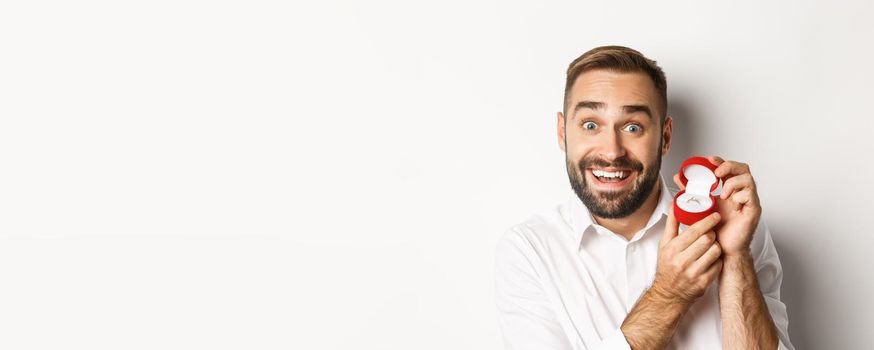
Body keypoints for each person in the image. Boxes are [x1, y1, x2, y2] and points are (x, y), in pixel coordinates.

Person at [494, 46, 794, 349]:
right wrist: (669, 294)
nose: (611, 151)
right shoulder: (529, 251)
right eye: (590, 125)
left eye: (633, 127)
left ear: (664, 138)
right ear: (562, 133)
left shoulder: (736, 228)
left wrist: (734, 258)